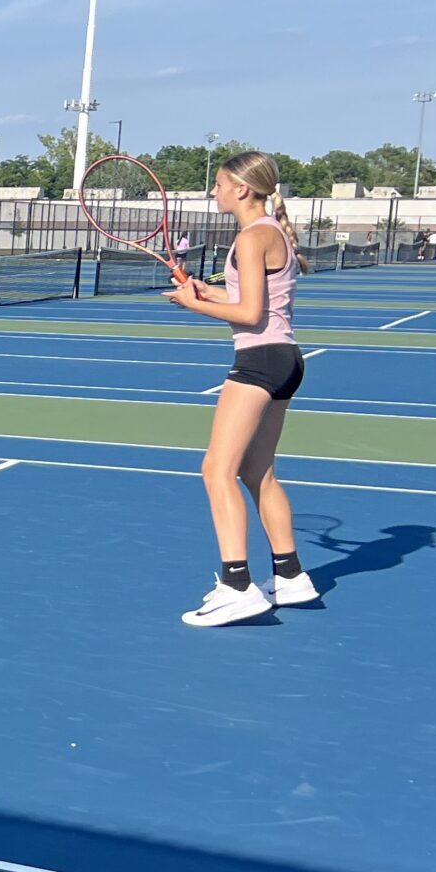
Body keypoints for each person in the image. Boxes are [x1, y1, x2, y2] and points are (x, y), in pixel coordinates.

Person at [166, 151, 315, 626]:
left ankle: (237, 586)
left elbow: (250, 316)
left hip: (260, 363)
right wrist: (204, 291)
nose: (214, 192)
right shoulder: (272, 233)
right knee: (257, 474)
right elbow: (255, 301)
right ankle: (291, 577)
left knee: (216, 470)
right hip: (287, 361)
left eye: (218, 184)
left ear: (241, 189)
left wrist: (195, 307)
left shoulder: (253, 238)